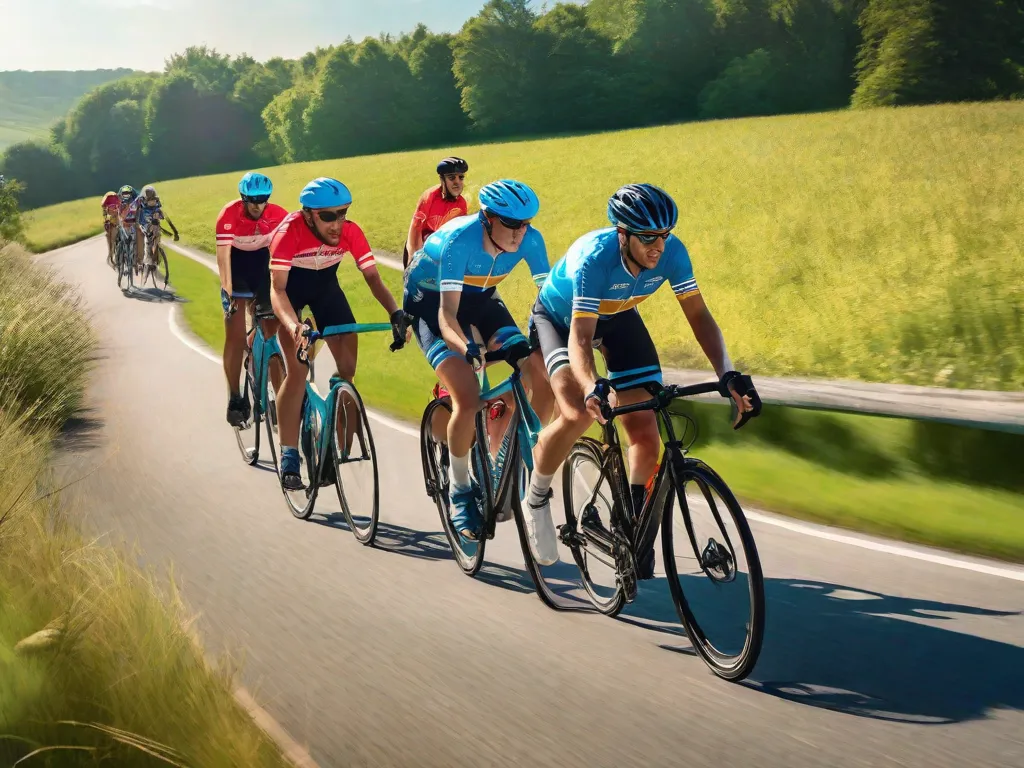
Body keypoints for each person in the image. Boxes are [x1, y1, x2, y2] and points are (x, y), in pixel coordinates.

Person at [525, 184, 760, 570]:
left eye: (664, 236)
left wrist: (728, 373)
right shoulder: (595, 260)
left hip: (617, 318)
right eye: (648, 237)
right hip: (559, 320)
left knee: (647, 434)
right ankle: (536, 497)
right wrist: (591, 386)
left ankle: (631, 524)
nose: (659, 246)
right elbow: (582, 338)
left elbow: (699, 317)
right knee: (578, 413)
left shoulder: (672, 254)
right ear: (623, 233)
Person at [403, 179, 555, 539]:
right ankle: (459, 490)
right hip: (431, 305)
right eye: (512, 224)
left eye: (526, 223)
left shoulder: (531, 240)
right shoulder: (460, 242)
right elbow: (447, 316)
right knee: (468, 397)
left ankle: (511, 452)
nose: (521, 233)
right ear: (487, 218)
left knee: (540, 375)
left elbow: (548, 299)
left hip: (483, 298)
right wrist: (467, 349)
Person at [269, 177, 409, 491]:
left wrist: (395, 313)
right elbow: (277, 291)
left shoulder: (350, 232)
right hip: (290, 294)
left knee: (347, 371)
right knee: (298, 371)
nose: (337, 223)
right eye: (328, 216)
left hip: (326, 291)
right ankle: (289, 454)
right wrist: (295, 328)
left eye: (342, 213)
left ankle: (330, 432)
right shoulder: (287, 234)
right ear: (308, 215)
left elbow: (373, 278)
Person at [216, 172, 289, 427]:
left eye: (263, 199)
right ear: (243, 198)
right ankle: (235, 397)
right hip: (235, 268)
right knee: (234, 337)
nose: (258, 205)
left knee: (271, 332)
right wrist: (227, 292)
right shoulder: (228, 215)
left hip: (261, 266)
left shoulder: (279, 215)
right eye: (252, 200)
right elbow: (223, 259)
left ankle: (283, 402)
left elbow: (288, 254)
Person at [403, 156, 469, 268]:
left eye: (461, 178)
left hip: (441, 252)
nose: (457, 182)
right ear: (442, 179)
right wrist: (414, 259)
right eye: (452, 178)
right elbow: (416, 228)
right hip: (419, 246)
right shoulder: (429, 197)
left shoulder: (461, 204)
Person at [136, 185, 179, 271]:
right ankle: (147, 258)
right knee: (147, 240)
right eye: (150, 201)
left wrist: (159, 215)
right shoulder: (141, 208)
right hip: (145, 226)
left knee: (156, 236)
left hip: (155, 227)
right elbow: (139, 220)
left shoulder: (157, 207)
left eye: (154, 200)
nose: (152, 202)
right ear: (145, 200)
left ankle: (155, 255)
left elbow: (164, 216)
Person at [116, 185, 143, 271]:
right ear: (121, 194)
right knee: (120, 235)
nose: (126, 195)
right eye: (124, 193)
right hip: (123, 221)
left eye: (128, 193)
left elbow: (139, 211)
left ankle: (138, 260)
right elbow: (118, 213)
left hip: (133, 221)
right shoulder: (119, 200)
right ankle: (119, 255)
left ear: (131, 194)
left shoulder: (135, 200)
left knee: (137, 238)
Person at [101, 190, 120, 265]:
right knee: (112, 244)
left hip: (114, 227)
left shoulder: (107, 212)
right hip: (112, 228)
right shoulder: (109, 214)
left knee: (112, 244)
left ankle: (112, 257)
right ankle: (111, 258)